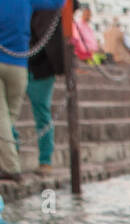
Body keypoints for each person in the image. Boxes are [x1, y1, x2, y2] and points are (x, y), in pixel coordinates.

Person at [0, 0, 64, 183]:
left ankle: (11, 167)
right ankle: (6, 161)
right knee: (8, 118)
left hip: (19, 63)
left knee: (4, 119)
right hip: (20, 67)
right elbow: (58, 2)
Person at [24, 1, 64, 178]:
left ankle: (45, 160)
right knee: (7, 114)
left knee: (42, 112)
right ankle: (11, 157)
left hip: (42, 65)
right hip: (18, 61)